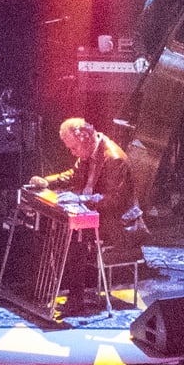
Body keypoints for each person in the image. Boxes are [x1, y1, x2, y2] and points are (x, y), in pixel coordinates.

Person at [37, 118, 144, 288]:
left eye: (73, 148)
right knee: (56, 226)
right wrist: (47, 182)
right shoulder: (89, 150)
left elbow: (115, 200)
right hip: (97, 214)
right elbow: (74, 174)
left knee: (74, 237)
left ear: (85, 138)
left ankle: (75, 297)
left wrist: (81, 200)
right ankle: (50, 287)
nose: (72, 152)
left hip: (118, 223)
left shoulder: (114, 159)